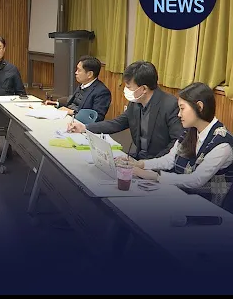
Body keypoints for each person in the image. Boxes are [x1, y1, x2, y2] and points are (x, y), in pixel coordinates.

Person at [123, 82, 233, 210]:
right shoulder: (190, 131)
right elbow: (170, 160)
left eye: (182, 108)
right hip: (182, 196)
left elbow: (196, 180)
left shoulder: (222, 143)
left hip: (208, 208)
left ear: (199, 107)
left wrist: (156, 177)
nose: (179, 114)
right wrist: (141, 164)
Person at [67, 60, 183, 160]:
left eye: (128, 87)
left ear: (143, 89)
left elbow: (177, 143)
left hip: (159, 163)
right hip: (138, 158)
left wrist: (148, 165)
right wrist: (85, 128)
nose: (126, 90)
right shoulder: (135, 102)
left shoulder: (169, 105)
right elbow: (117, 123)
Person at [44, 55, 111, 122]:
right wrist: (56, 104)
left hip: (79, 124)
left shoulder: (102, 92)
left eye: (79, 70)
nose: (76, 73)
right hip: (67, 118)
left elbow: (96, 118)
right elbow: (73, 104)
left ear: (89, 74)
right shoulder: (82, 84)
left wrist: (71, 112)